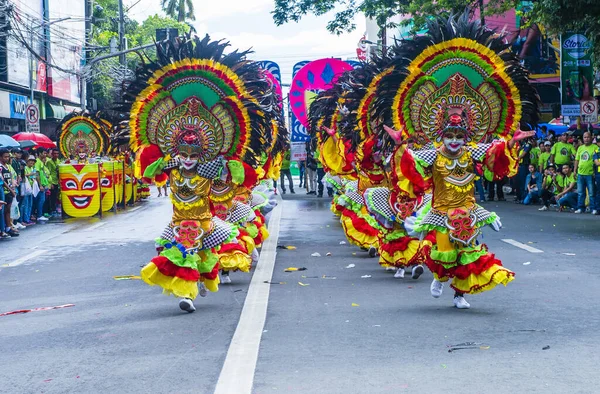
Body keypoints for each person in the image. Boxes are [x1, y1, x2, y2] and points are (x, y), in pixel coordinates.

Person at [573, 131, 598, 213]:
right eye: (585, 137)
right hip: (580, 173)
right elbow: (576, 160)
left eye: (588, 137)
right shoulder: (580, 148)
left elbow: (596, 160)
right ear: (583, 138)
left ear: (591, 138)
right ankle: (580, 208)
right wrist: (574, 170)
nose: (586, 139)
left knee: (591, 193)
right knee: (580, 192)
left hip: (590, 174)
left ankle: (593, 208)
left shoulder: (595, 147)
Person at [0, 148, 19, 237]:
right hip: (3, 191)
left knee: (8, 210)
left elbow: (11, 177)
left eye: (8, 157)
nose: (7, 158)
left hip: (9, 190)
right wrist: (10, 190)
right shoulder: (0, 167)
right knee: (2, 210)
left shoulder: (8, 166)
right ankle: (2, 229)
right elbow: (2, 181)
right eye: (5, 157)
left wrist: (13, 187)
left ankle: (8, 227)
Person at [20, 155, 37, 225]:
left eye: (33, 161)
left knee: (30, 204)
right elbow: (24, 175)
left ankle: (28, 218)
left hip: (31, 188)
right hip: (26, 189)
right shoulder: (25, 167)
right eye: (30, 160)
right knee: (25, 204)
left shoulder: (32, 168)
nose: (32, 162)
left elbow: (34, 176)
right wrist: (30, 174)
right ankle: (25, 219)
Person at [34, 149, 49, 221]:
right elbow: (37, 174)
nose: (45, 155)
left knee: (42, 200)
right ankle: (39, 215)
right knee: (41, 200)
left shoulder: (41, 162)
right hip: (40, 184)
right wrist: (39, 185)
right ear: (39, 153)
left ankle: (40, 214)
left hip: (43, 183)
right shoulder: (37, 162)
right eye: (44, 153)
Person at [46, 148, 60, 216]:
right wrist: (50, 183)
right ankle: (52, 210)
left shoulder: (58, 161)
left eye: (57, 153)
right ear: (52, 154)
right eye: (54, 154)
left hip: (57, 181)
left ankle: (55, 209)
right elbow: (48, 172)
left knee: (55, 196)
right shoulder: (49, 162)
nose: (56, 155)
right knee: (51, 197)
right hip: (52, 182)